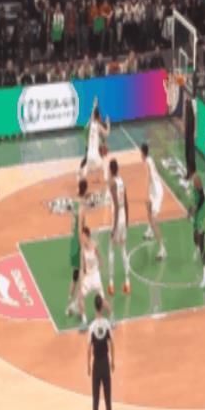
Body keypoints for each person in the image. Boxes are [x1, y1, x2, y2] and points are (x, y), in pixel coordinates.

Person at [76, 226, 113, 331]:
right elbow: (82, 267)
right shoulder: (82, 250)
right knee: (80, 297)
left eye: (82, 236)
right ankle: (84, 321)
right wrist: (81, 282)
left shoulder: (94, 246)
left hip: (95, 276)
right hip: (88, 277)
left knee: (102, 301)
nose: (80, 238)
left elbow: (100, 259)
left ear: (86, 236)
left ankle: (111, 316)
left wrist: (99, 267)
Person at [88, 294, 114, 410]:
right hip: (105, 363)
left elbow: (89, 347)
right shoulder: (107, 324)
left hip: (96, 365)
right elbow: (112, 343)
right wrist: (113, 361)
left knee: (96, 399)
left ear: (94, 307)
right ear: (102, 307)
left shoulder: (92, 326)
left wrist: (88, 365)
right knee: (108, 399)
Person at [66, 179, 88, 318]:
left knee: (75, 276)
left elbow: (72, 225)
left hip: (73, 242)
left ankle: (69, 304)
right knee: (82, 276)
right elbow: (80, 229)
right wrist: (84, 246)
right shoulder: (82, 208)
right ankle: (79, 307)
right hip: (79, 243)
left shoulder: (75, 203)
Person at [108, 159, 130, 295]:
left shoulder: (112, 183)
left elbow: (116, 206)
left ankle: (111, 283)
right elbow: (126, 202)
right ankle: (127, 282)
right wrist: (127, 221)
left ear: (111, 170)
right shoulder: (122, 181)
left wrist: (114, 227)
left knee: (111, 249)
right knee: (123, 250)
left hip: (116, 218)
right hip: (123, 216)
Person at [141, 144, 166, 260]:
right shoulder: (149, 159)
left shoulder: (146, 162)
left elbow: (147, 178)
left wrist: (145, 193)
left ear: (142, 153)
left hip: (157, 193)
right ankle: (150, 230)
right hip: (154, 190)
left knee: (154, 220)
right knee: (148, 208)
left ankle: (162, 250)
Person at [188, 170, 205, 288]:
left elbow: (202, 198)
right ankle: (196, 248)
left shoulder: (196, 179)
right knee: (194, 236)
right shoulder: (192, 183)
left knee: (202, 244)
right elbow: (193, 200)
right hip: (197, 216)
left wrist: (196, 208)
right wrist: (189, 211)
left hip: (201, 216)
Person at [79, 98, 110, 183]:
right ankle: (106, 181)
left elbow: (92, 115)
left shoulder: (91, 123)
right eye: (99, 115)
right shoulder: (99, 126)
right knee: (105, 164)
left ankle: (81, 181)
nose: (100, 116)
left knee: (86, 168)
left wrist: (95, 105)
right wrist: (108, 123)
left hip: (89, 157)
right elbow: (107, 133)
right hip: (95, 157)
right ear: (98, 116)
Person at [184, 96, 196, 178]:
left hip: (191, 130)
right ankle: (189, 171)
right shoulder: (186, 101)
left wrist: (195, 131)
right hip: (187, 129)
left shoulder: (194, 102)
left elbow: (196, 116)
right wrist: (184, 124)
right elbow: (185, 114)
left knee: (191, 153)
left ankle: (192, 171)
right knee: (187, 151)